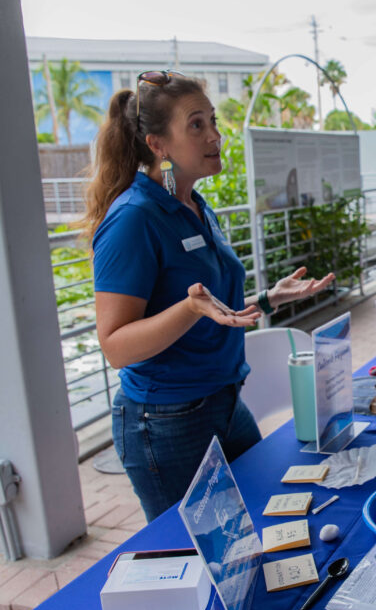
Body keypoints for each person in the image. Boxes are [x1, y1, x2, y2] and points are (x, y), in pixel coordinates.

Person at [84, 71, 335, 521]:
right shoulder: (133, 219)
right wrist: (187, 309)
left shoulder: (195, 206)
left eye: (213, 121)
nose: (215, 135)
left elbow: (212, 309)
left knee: (267, 519)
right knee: (199, 557)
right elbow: (115, 345)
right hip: (165, 423)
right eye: (196, 124)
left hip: (225, 403)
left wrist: (268, 299)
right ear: (157, 144)